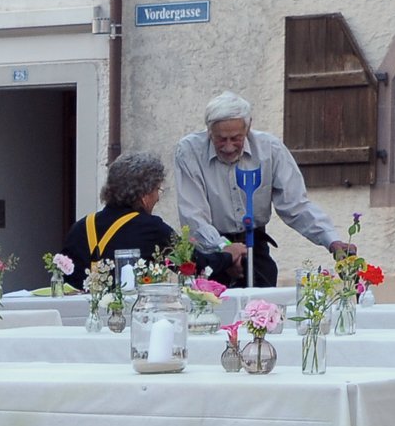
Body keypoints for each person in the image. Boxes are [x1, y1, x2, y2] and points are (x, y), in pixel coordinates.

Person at [169, 91, 355, 289]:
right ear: (208, 131)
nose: (229, 147)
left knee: (263, 313)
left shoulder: (270, 149)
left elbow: (296, 206)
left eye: (236, 138)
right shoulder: (189, 151)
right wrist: (225, 251)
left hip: (255, 246)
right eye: (221, 139)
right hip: (211, 251)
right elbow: (193, 215)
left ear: (248, 128)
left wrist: (331, 240)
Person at [57, 151, 180, 287]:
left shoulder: (80, 228)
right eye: (157, 189)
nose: (158, 197)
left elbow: (62, 280)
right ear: (144, 194)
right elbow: (193, 264)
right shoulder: (152, 229)